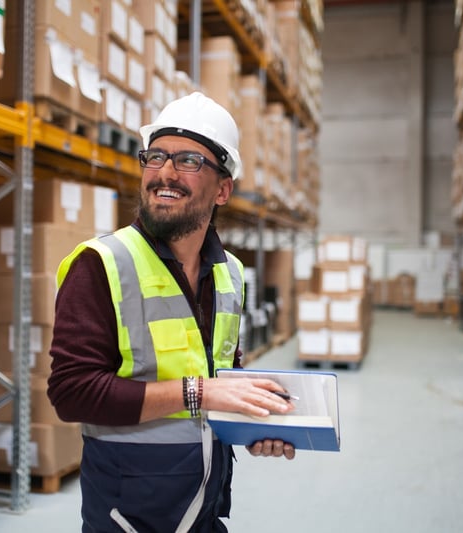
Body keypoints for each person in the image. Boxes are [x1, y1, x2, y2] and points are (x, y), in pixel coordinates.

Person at [47, 91, 295, 533]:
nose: (164, 172)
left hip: (204, 510)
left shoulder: (231, 274)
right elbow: (71, 393)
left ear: (222, 189)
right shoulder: (101, 263)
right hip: (127, 519)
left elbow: (222, 376)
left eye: (188, 161)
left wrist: (253, 426)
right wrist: (197, 392)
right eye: (155, 156)